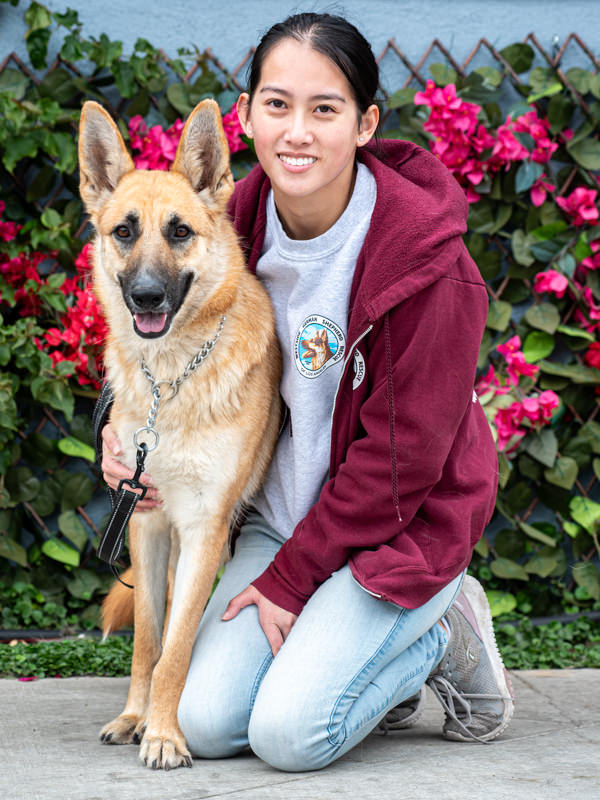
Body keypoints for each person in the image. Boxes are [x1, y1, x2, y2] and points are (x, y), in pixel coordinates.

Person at [99, 12, 514, 772]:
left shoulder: (428, 265)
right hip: (283, 521)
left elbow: (404, 467)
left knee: (290, 736)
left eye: (325, 109)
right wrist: (117, 429)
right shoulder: (229, 222)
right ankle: (353, 660)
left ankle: (443, 629)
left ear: (364, 124)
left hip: (395, 532)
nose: (297, 131)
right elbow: (152, 341)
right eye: (277, 104)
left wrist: (292, 584)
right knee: (206, 722)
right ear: (248, 116)